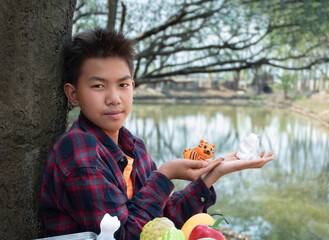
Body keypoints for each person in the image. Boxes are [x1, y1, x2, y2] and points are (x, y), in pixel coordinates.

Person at [39, 28, 274, 239]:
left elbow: (160, 222)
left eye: (122, 85)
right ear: (73, 94)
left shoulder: (132, 145)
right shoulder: (79, 152)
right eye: (98, 86)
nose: (114, 99)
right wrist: (165, 174)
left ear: (132, 86)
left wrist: (212, 175)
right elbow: (126, 236)